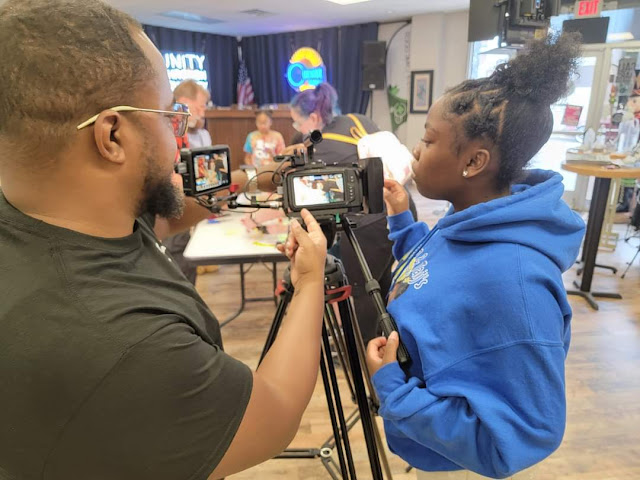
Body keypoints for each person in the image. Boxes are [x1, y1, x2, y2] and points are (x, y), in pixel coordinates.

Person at [0, 2, 328, 480]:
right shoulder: (128, 347)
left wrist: (256, 179)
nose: (179, 136)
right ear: (112, 135)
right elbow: (274, 413)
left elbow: (162, 217)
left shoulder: (56, 214)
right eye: (169, 115)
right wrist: (311, 279)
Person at [364, 33, 586, 479]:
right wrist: (403, 222)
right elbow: (437, 273)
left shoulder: (516, 284)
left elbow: (524, 436)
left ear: (474, 162)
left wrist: (394, 390)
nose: (416, 150)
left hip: (454, 463)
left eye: (428, 140)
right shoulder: (470, 220)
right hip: (424, 437)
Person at [287, 83, 416, 344]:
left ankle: (368, 348)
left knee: (362, 291)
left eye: (297, 122)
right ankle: (390, 341)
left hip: (367, 225)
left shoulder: (318, 149)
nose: (297, 129)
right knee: (381, 280)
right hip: (399, 206)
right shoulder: (358, 119)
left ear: (313, 118)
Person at [163, 79, 213, 284]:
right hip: (169, 207)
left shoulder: (180, 129)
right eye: (200, 106)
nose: (202, 112)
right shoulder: (168, 127)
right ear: (184, 101)